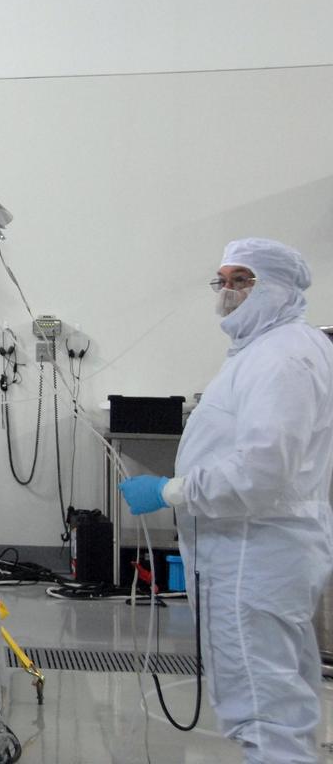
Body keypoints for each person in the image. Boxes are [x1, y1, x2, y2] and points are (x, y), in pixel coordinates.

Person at [120, 237, 333, 763]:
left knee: (264, 709)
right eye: (224, 281)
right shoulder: (266, 352)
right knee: (279, 695)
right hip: (253, 553)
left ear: (281, 288)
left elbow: (263, 471)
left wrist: (170, 490)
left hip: (252, 554)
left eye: (244, 280)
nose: (229, 293)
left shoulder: (282, 359)